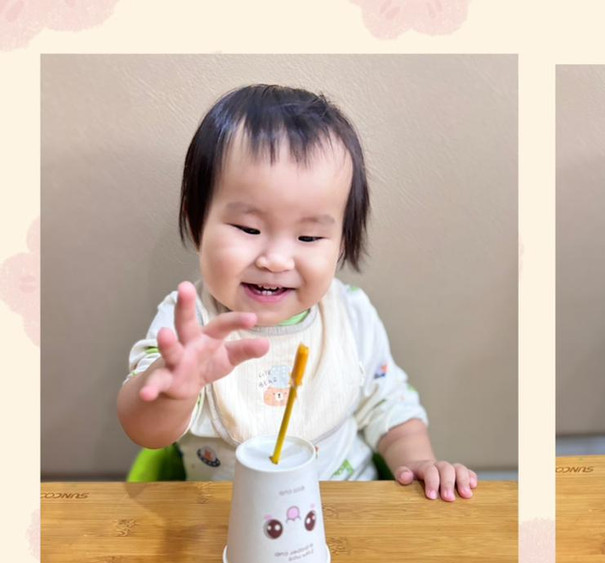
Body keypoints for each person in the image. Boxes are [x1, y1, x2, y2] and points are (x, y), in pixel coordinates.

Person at [118, 83, 478, 503]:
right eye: (249, 230)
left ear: (341, 243)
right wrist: (172, 390)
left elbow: (389, 407)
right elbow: (144, 429)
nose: (275, 259)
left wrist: (417, 462)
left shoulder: (350, 316)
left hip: (347, 510)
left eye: (308, 237)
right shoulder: (189, 323)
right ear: (197, 222)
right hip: (224, 522)